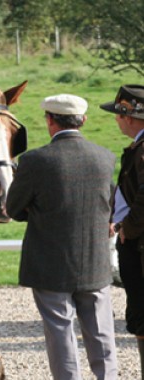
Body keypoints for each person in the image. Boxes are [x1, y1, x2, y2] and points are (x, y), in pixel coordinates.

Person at [6, 94, 118, 379]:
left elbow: (13, 208)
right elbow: (109, 205)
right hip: (95, 259)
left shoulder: (35, 160)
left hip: (50, 263)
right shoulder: (105, 158)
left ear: (49, 121)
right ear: (84, 121)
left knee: (60, 332)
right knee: (101, 331)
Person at [103, 84, 144, 376]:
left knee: (142, 317)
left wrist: (127, 228)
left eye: (119, 114)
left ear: (130, 117)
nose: (116, 120)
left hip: (139, 247)